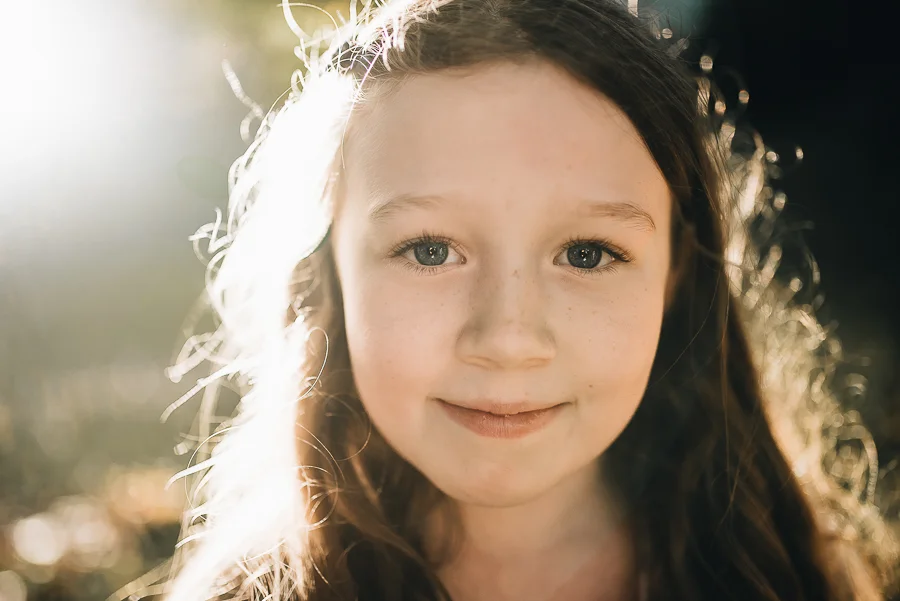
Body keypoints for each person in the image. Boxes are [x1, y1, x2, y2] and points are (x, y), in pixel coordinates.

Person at [146, 1, 898, 600]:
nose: (508, 338)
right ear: (327, 276)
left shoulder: (800, 579)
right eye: (430, 250)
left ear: (676, 279)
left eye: (587, 253)